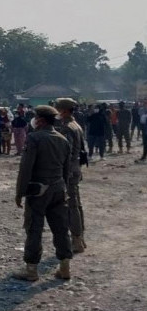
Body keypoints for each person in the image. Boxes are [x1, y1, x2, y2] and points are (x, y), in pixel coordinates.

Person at [13, 105, 73, 281]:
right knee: (61, 228)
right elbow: (66, 169)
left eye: (36, 117)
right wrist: (65, 190)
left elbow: (26, 168)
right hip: (59, 190)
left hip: (38, 191)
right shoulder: (63, 139)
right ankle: (64, 267)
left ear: (41, 120)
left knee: (34, 228)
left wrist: (19, 192)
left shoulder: (34, 138)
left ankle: (31, 270)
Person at [56, 98, 87, 253]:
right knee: (77, 203)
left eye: (58, 108)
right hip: (76, 168)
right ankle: (80, 236)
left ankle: (76, 240)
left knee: (71, 205)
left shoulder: (67, 128)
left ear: (65, 110)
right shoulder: (76, 125)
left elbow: (65, 152)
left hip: (68, 169)